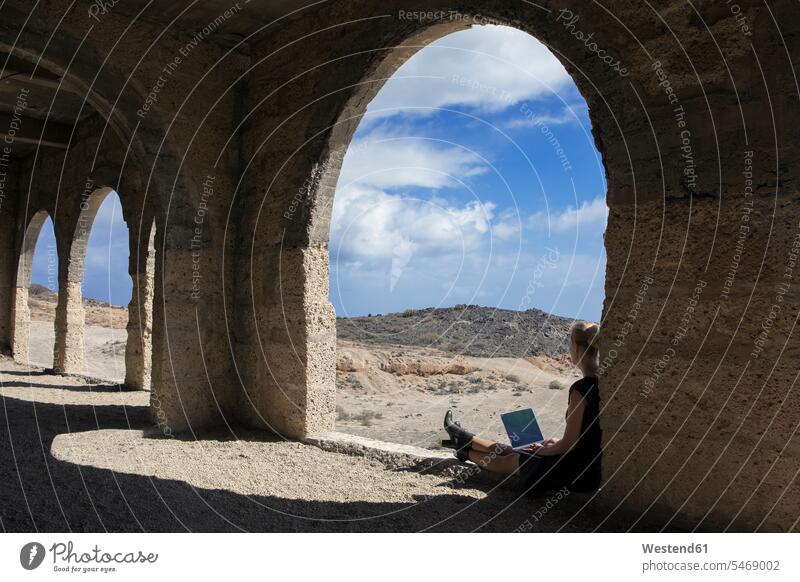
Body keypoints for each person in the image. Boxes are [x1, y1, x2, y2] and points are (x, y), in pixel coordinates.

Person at [442, 321, 602, 496]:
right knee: (525, 448)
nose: (569, 349)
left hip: (576, 470)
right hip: (588, 466)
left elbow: (569, 444)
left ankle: (464, 450)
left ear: (577, 348)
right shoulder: (604, 383)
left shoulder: (581, 389)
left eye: (570, 344)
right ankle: (464, 438)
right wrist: (552, 443)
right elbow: (584, 436)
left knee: (514, 458)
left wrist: (544, 450)